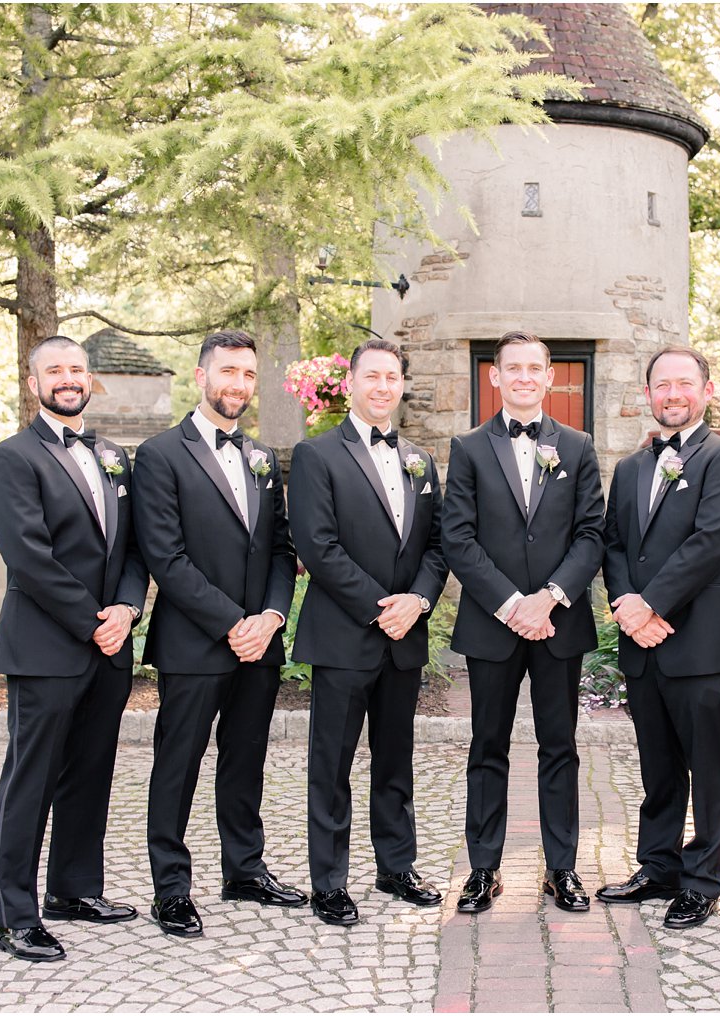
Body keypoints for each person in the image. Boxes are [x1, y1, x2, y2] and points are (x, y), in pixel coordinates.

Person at [132, 330, 303, 938]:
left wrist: (272, 618)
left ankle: (245, 870)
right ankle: (171, 888)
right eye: (227, 371)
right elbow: (165, 557)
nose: (237, 384)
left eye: (248, 375)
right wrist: (235, 623)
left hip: (260, 641)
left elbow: (283, 549)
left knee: (246, 758)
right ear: (201, 375)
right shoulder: (158, 455)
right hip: (195, 642)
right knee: (176, 764)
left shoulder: (263, 457)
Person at [0, 335, 148, 962]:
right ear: (34, 383)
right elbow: (29, 557)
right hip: (47, 645)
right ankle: (15, 916)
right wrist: (92, 621)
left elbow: (135, 548)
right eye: (54, 370)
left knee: (91, 770)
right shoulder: (13, 458)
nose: (67, 378)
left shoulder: (113, 456)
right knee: (32, 777)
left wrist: (128, 610)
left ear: (90, 379)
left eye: (77, 369)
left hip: (108, 644)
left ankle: (74, 890)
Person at [441, 331, 605, 914]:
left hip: (559, 624)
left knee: (559, 746)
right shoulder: (467, 448)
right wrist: (513, 604)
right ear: (495, 376)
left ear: (550, 375)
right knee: (487, 746)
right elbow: (456, 538)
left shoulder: (579, 446)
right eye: (514, 369)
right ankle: (484, 869)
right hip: (493, 623)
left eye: (536, 368)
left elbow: (592, 534)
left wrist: (551, 598)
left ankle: (561, 869)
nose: (525, 378)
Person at [288, 338, 449, 927]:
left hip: (404, 636)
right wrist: (381, 606)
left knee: (395, 761)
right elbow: (317, 544)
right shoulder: (317, 456)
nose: (383, 387)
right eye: (372, 376)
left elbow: (437, 545)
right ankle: (328, 880)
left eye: (392, 377)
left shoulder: (419, 458)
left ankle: (395, 866)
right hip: (344, 634)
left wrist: (419, 601)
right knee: (331, 763)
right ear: (350, 383)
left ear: (401, 385)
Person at [597, 347, 720, 930]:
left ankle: (702, 879)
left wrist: (651, 603)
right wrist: (627, 606)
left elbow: (712, 541)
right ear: (648, 395)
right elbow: (613, 544)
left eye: (684, 384)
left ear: (706, 392)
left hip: (701, 637)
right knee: (657, 765)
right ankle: (658, 865)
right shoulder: (631, 468)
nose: (672, 394)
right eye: (661, 385)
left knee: (709, 765)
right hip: (643, 639)